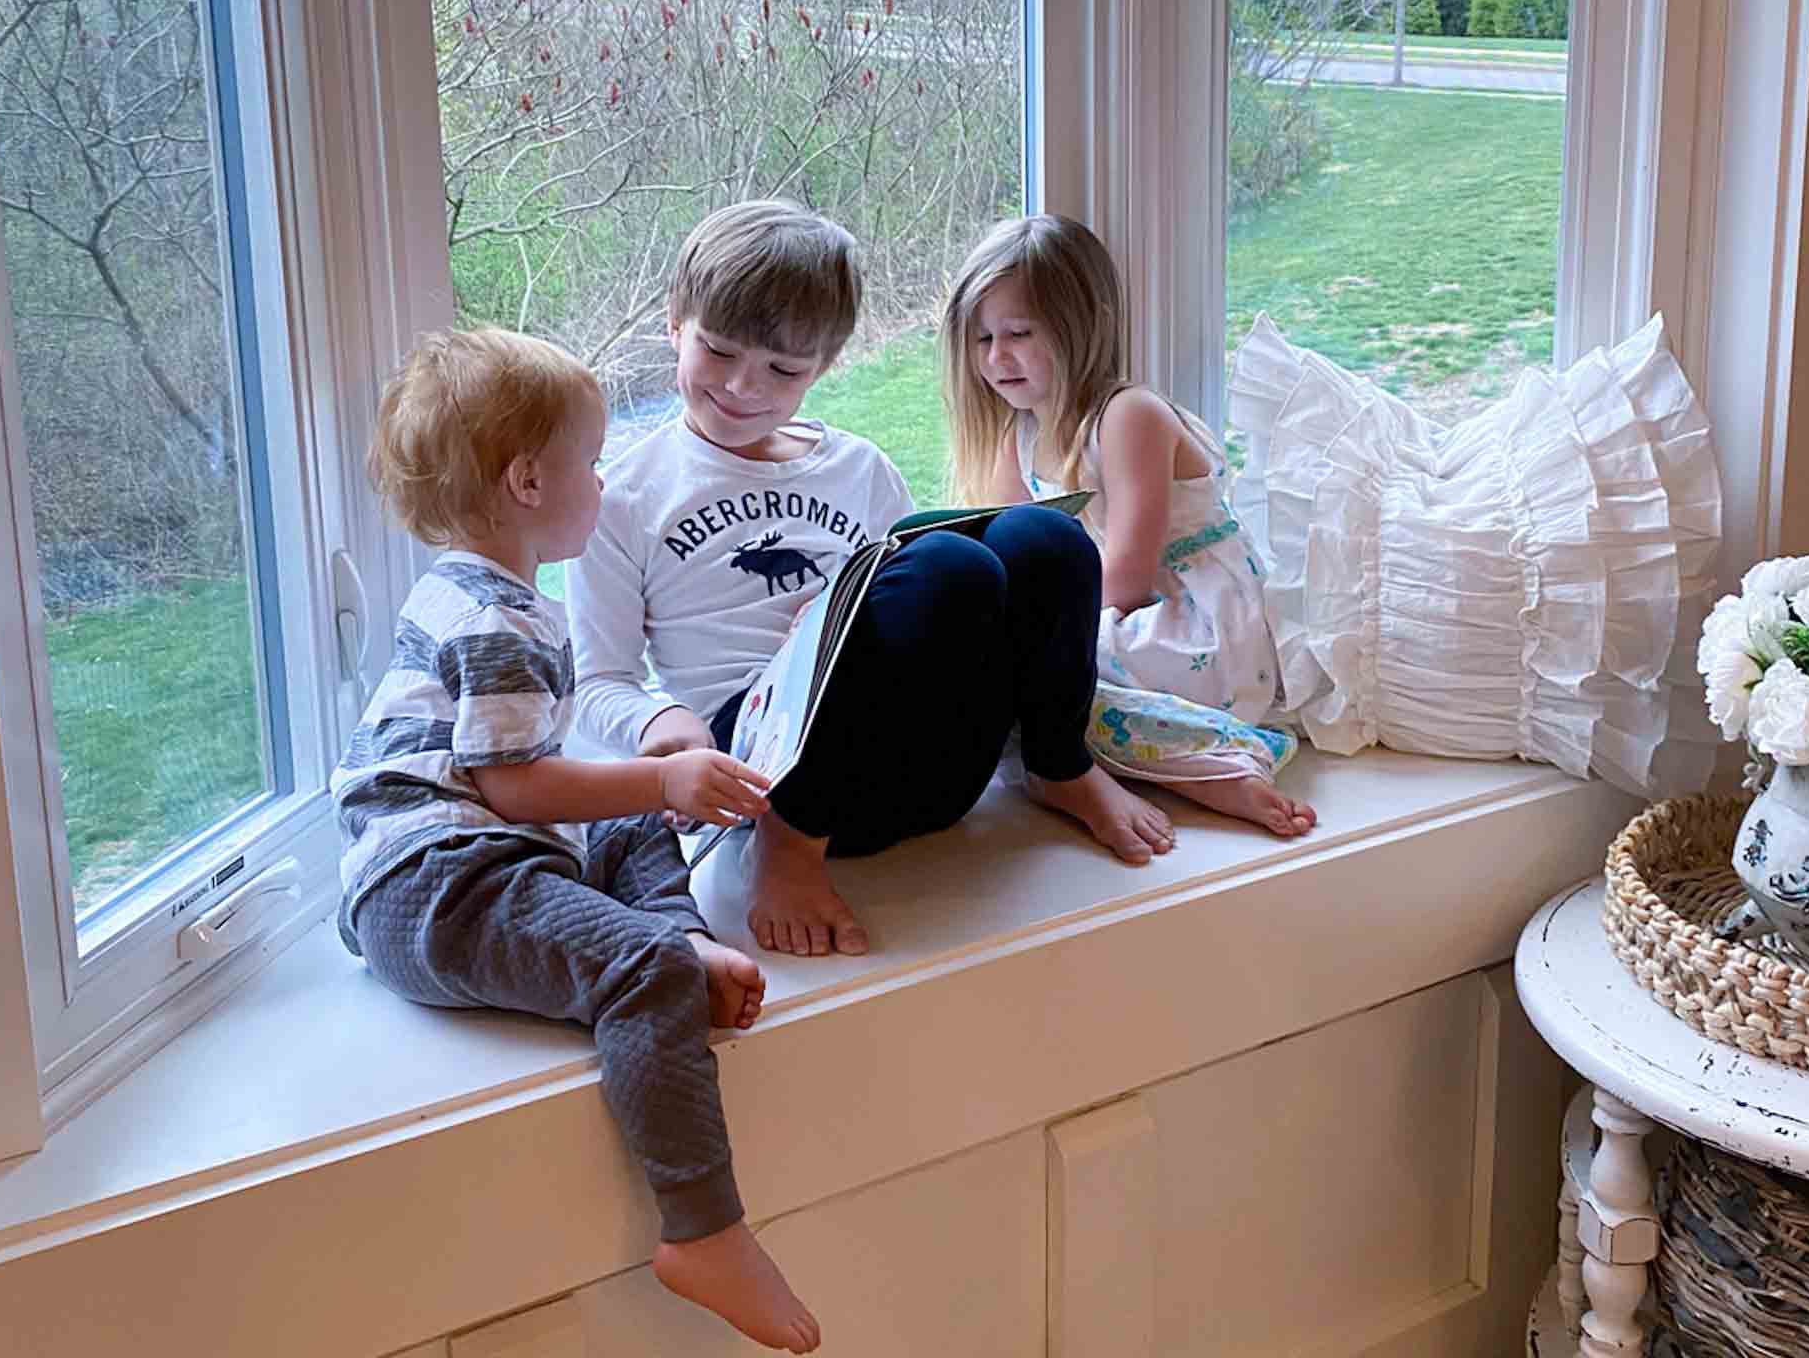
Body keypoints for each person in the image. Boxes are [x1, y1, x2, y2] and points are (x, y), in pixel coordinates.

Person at [331, 328, 819, 1354]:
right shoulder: (492, 616)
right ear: (526, 480)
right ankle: (703, 1227)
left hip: (475, 859)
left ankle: (682, 940)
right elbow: (513, 788)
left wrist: (645, 787)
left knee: (634, 829)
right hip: (434, 888)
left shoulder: (496, 596)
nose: (601, 482)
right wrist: (664, 771)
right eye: (590, 463)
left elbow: (529, 792)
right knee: (633, 959)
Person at [569, 201, 1174, 964]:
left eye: (784, 370)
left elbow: (933, 620)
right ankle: (789, 848)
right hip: (767, 769)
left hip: (927, 765)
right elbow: (598, 680)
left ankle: (1058, 766)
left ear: (824, 366)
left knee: (1044, 537)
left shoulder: (858, 468)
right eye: (717, 351)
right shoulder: (628, 495)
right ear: (674, 323)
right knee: (949, 565)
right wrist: (664, 728)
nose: (741, 387)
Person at [942, 214, 1317, 839]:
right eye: (982, 340)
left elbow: (1130, 576)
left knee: (1050, 675)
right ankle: (1089, 760)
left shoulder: (1127, 415)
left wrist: (1042, 644)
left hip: (1193, 616)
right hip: (1112, 607)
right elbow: (1017, 554)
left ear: (1079, 325)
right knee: (1004, 669)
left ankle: (1207, 769)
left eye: (1018, 333)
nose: (997, 356)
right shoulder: (1022, 429)